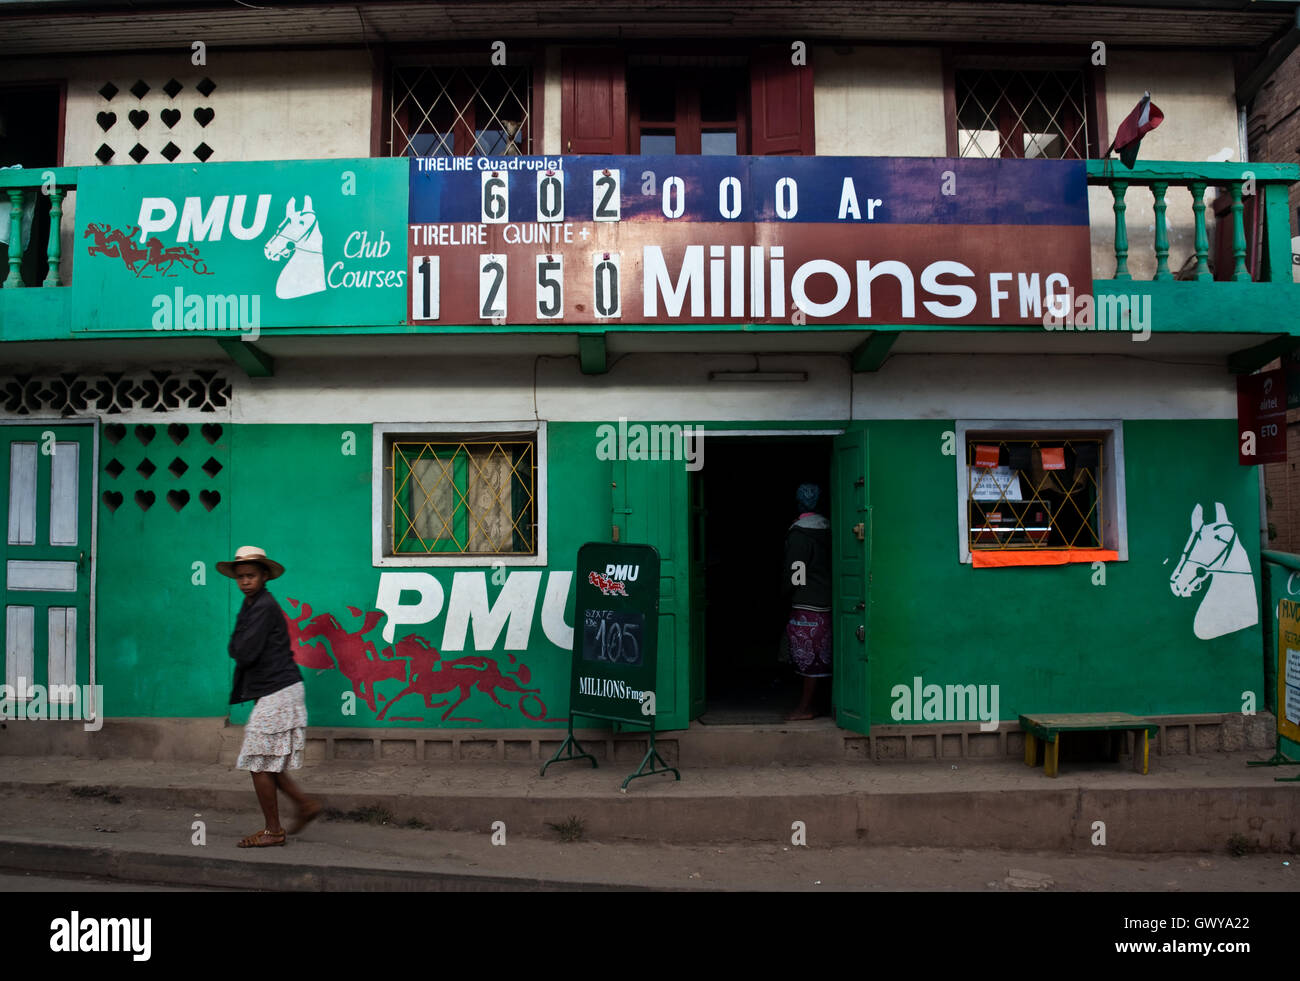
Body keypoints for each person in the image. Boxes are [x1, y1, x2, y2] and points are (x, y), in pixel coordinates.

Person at [219, 545, 321, 847]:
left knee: (258, 761)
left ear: (265, 576)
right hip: (276, 688)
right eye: (241, 577)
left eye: (251, 575)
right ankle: (305, 805)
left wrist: (236, 647)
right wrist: (237, 646)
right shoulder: (252, 604)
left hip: (279, 689)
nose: (245, 581)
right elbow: (240, 647)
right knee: (266, 760)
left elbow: (243, 651)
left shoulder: (262, 606)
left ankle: (274, 831)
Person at [781, 484, 832, 721]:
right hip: (828, 602)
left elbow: (796, 573)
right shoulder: (831, 529)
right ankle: (819, 704)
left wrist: (787, 591)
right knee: (822, 656)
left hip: (808, 604)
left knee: (807, 659)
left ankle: (805, 708)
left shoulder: (800, 535)